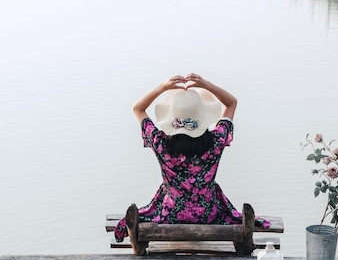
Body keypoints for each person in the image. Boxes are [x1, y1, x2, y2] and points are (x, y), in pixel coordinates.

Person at [114, 73, 269, 242]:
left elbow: (138, 108)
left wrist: (163, 87)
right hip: (209, 214)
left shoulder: (161, 144)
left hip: (170, 215)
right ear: (202, 117)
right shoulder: (216, 141)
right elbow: (232, 103)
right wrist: (206, 85)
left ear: (172, 118)